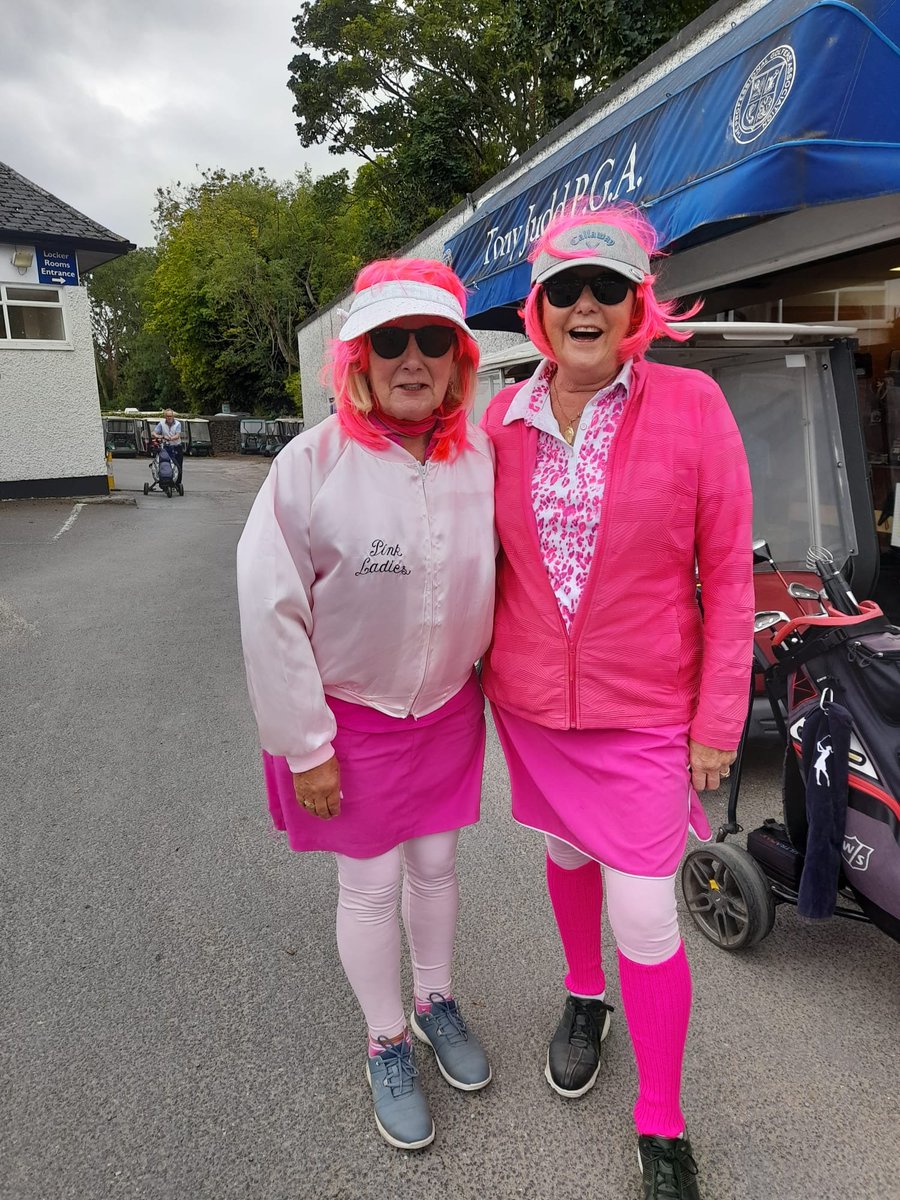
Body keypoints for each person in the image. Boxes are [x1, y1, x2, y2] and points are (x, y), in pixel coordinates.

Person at [480, 203, 753, 1200]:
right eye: (565, 289)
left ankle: (663, 1123)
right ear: (538, 310)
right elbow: (473, 572)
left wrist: (719, 721)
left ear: (639, 304)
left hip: (645, 714)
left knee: (646, 910)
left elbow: (728, 580)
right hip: (532, 707)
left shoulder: (693, 408)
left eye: (607, 288)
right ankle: (583, 996)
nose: (585, 304)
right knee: (562, 850)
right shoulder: (499, 424)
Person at [236, 259, 496, 1152]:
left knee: (436, 867)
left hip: (447, 711)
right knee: (373, 881)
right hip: (352, 721)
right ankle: (386, 1039)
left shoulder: (479, 460)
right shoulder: (310, 464)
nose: (413, 359)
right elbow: (269, 605)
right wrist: (306, 745)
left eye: (434, 341)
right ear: (359, 359)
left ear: (460, 361)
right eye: (393, 341)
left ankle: (435, 1001)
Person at [153, 408, 183, 485]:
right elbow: (154, 433)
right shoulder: (161, 423)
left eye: (170, 416)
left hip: (176, 447)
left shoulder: (178, 424)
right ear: (165, 416)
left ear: (173, 416)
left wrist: (170, 438)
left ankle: (177, 484)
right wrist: (160, 436)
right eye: (167, 416)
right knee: (166, 464)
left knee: (178, 466)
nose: (169, 417)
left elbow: (177, 435)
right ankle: (166, 481)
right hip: (166, 447)